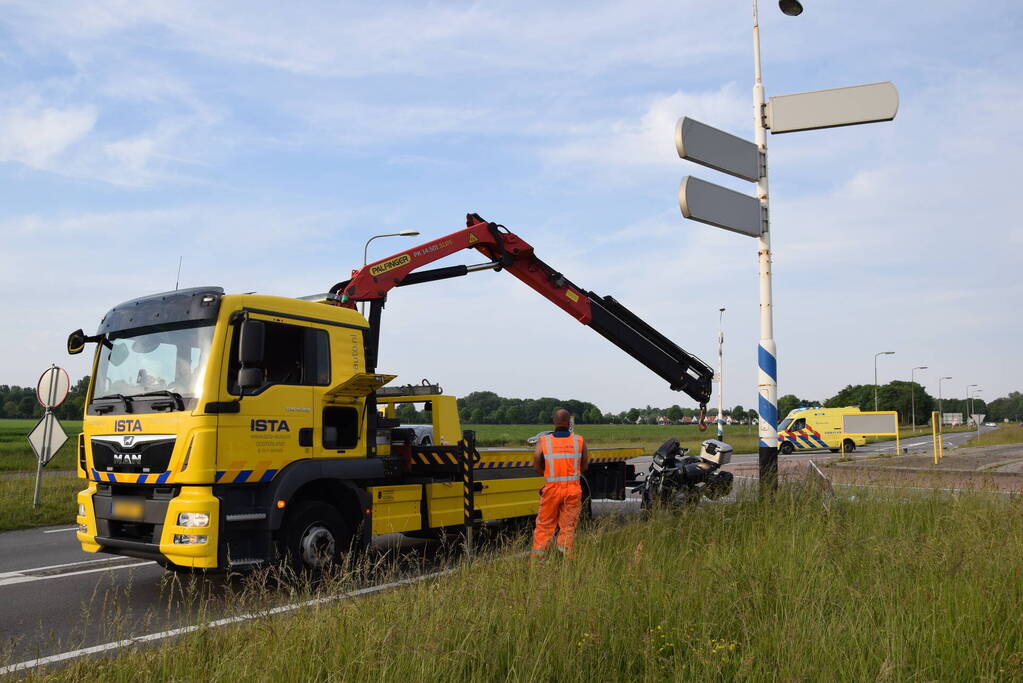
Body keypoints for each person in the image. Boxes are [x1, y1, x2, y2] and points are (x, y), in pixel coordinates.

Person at [531, 408, 588, 560]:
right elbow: (584, 465)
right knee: (568, 527)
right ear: (569, 423)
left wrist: (550, 475)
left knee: (544, 526)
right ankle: (567, 558)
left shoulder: (543, 441)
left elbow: (536, 465)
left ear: (554, 423)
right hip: (572, 490)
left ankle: (537, 560)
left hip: (551, 490)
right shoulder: (579, 441)